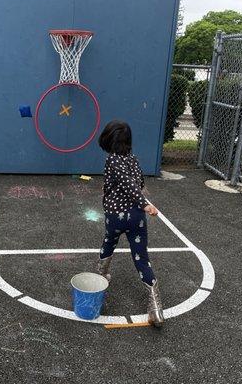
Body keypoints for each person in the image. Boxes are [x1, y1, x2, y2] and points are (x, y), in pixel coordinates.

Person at [96, 120, 164, 327]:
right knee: (141, 257)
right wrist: (143, 205)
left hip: (116, 216)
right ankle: (155, 305)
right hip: (136, 218)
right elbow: (138, 183)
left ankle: (101, 273)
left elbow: (128, 186)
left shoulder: (112, 160)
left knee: (109, 241)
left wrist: (143, 203)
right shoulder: (132, 159)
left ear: (108, 140)